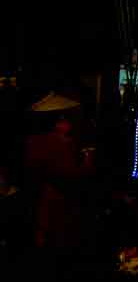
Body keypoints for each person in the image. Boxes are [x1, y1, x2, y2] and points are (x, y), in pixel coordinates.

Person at [24, 92, 95, 276]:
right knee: (60, 242)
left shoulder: (33, 141)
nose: (69, 123)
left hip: (42, 196)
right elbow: (71, 174)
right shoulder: (60, 143)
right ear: (58, 122)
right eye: (65, 119)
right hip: (60, 200)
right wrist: (88, 160)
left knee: (45, 238)